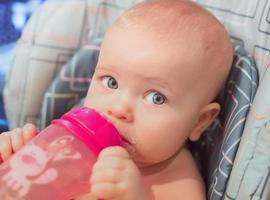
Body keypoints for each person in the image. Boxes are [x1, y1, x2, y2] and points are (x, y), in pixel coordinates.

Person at [0, 0, 233, 199]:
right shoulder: (66, 145)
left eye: (156, 98)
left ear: (199, 121)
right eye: (111, 82)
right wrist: (13, 160)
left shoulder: (178, 183)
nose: (119, 108)